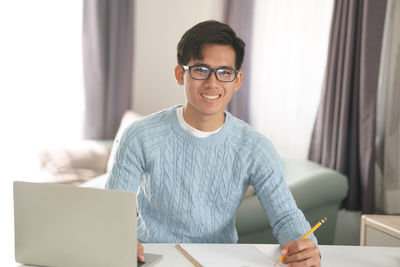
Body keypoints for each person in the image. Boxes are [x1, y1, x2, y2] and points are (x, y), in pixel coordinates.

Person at [106, 20, 321, 266]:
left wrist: (305, 247)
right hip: (151, 258)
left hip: (220, 261)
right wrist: (119, 240)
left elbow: (286, 217)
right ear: (180, 74)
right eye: (200, 70)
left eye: (224, 72)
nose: (212, 83)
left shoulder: (255, 147)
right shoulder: (139, 135)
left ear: (237, 80)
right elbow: (112, 211)